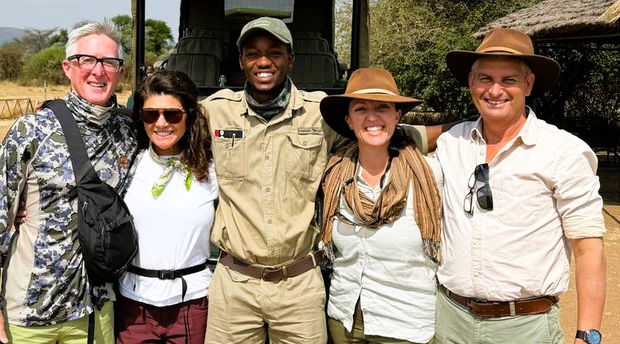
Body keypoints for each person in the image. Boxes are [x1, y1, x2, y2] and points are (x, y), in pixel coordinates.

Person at [200, 17, 440, 344]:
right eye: (253, 53)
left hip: (298, 285)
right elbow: (166, 126)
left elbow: (371, 135)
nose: (264, 61)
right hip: (235, 284)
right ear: (241, 61)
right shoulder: (215, 112)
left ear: (290, 59)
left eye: (274, 52)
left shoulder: (319, 114)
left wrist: (465, 129)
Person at [434, 28, 606, 344]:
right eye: (485, 78)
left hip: (524, 327)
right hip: (449, 320)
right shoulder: (450, 144)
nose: (495, 90)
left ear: (528, 84)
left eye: (509, 80)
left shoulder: (563, 152)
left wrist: (588, 335)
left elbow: (588, 247)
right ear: (471, 83)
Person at [0, 22, 136, 343]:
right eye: (87, 60)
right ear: (67, 67)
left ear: (120, 72)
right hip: (31, 310)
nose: (98, 71)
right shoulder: (31, 130)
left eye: (109, 63)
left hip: (96, 309)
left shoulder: (128, 134)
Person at [319, 68, 441, 344]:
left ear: (397, 116)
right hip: (345, 318)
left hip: (405, 322)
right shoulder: (335, 176)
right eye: (361, 109)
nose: (372, 117)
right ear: (349, 120)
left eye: (383, 108)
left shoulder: (430, 175)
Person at [115, 70, 216, 343]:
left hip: (192, 304)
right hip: (134, 305)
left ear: (189, 116)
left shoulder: (211, 172)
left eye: (172, 115)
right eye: (151, 115)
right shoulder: (126, 167)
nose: (161, 123)